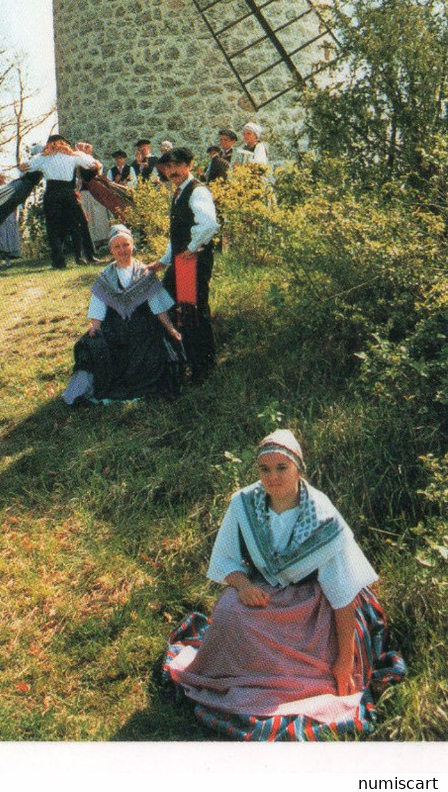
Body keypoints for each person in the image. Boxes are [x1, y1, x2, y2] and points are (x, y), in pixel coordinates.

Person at [163, 429, 405, 740]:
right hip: (264, 591)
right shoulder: (244, 504)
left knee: (312, 642)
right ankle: (242, 678)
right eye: (265, 469)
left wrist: (344, 660)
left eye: (282, 468)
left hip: (315, 599)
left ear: (298, 469)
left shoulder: (321, 514)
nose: (273, 478)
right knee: (228, 611)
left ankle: (293, 685)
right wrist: (244, 586)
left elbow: (343, 592)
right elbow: (226, 562)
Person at [63, 224, 183, 404]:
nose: (122, 250)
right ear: (111, 250)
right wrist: (94, 327)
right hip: (115, 327)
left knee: (151, 351)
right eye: (117, 246)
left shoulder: (145, 273)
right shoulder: (106, 276)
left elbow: (157, 306)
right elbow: (98, 306)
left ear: (132, 246)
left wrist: (170, 328)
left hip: (142, 325)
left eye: (126, 245)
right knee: (93, 347)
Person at [149, 147, 218, 384]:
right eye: (167, 167)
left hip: (192, 261)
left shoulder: (197, 192)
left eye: (176, 165)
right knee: (171, 307)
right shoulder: (178, 194)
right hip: (182, 260)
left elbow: (209, 224)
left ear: (188, 164)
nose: (172, 171)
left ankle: (204, 368)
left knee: (192, 312)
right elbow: (177, 234)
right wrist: (163, 261)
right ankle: (184, 360)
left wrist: (190, 249)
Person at [34, 135, 101, 269]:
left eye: (59, 143)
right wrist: (42, 154)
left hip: (69, 192)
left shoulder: (72, 156)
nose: (56, 146)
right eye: (53, 144)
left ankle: (87, 255)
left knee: (81, 223)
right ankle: (58, 261)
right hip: (52, 192)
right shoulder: (42, 158)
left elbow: (95, 165)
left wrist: (79, 153)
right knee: (54, 227)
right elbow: (24, 168)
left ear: (64, 144)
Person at [0, 173, 22, 266]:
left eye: (2, 177)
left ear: (4, 178)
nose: (0, 179)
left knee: (8, 237)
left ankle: (8, 260)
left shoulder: (9, 188)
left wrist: (15, 213)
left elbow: (15, 201)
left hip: (8, 215)